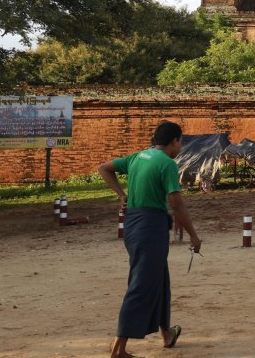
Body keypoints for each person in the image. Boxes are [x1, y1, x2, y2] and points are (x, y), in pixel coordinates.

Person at [98, 121, 202, 358]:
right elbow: (177, 204)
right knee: (141, 285)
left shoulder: (138, 157)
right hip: (149, 228)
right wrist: (194, 236)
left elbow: (104, 168)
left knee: (159, 279)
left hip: (134, 225)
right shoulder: (166, 163)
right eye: (181, 141)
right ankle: (118, 350)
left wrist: (122, 195)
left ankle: (167, 333)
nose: (180, 146)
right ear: (175, 140)